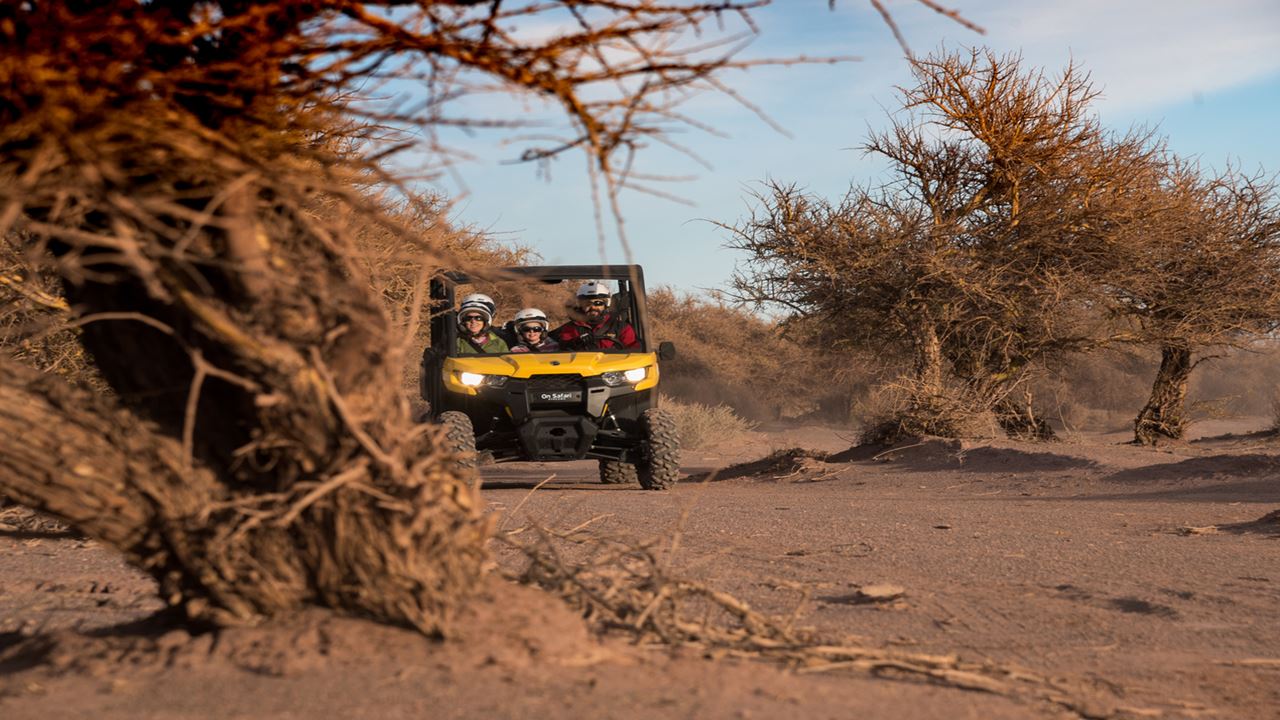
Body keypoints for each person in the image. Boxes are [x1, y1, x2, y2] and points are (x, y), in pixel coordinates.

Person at [551, 280, 639, 351]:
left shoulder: (621, 328)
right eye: (587, 304)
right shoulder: (571, 328)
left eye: (598, 303)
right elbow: (563, 349)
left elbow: (634, 351)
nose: (593, 307)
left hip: (613, 369)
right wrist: (576, 342)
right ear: (580, 306)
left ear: (606, 304)